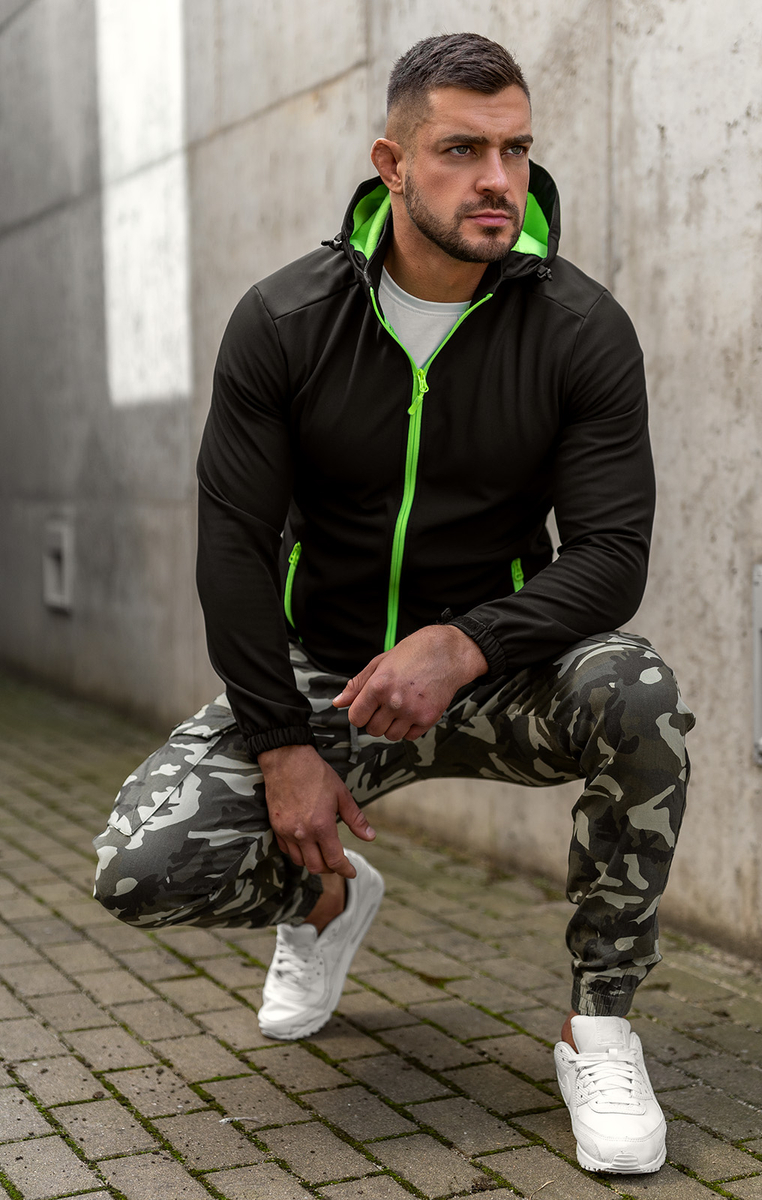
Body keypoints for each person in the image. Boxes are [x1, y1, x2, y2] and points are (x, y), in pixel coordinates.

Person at [93, 33, 694, 1176]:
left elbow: (612, 555)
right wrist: (281, 744)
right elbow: (231, 546)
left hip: (506, 677)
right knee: (141, 866)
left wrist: (464, 643)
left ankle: (601, 1026)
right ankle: (326, 901)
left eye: (516, 149)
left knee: (640, 694)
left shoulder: (580, 328)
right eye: (462, 150)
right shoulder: (285, 323)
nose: (498, 180)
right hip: (327, 679)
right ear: (393, 163)